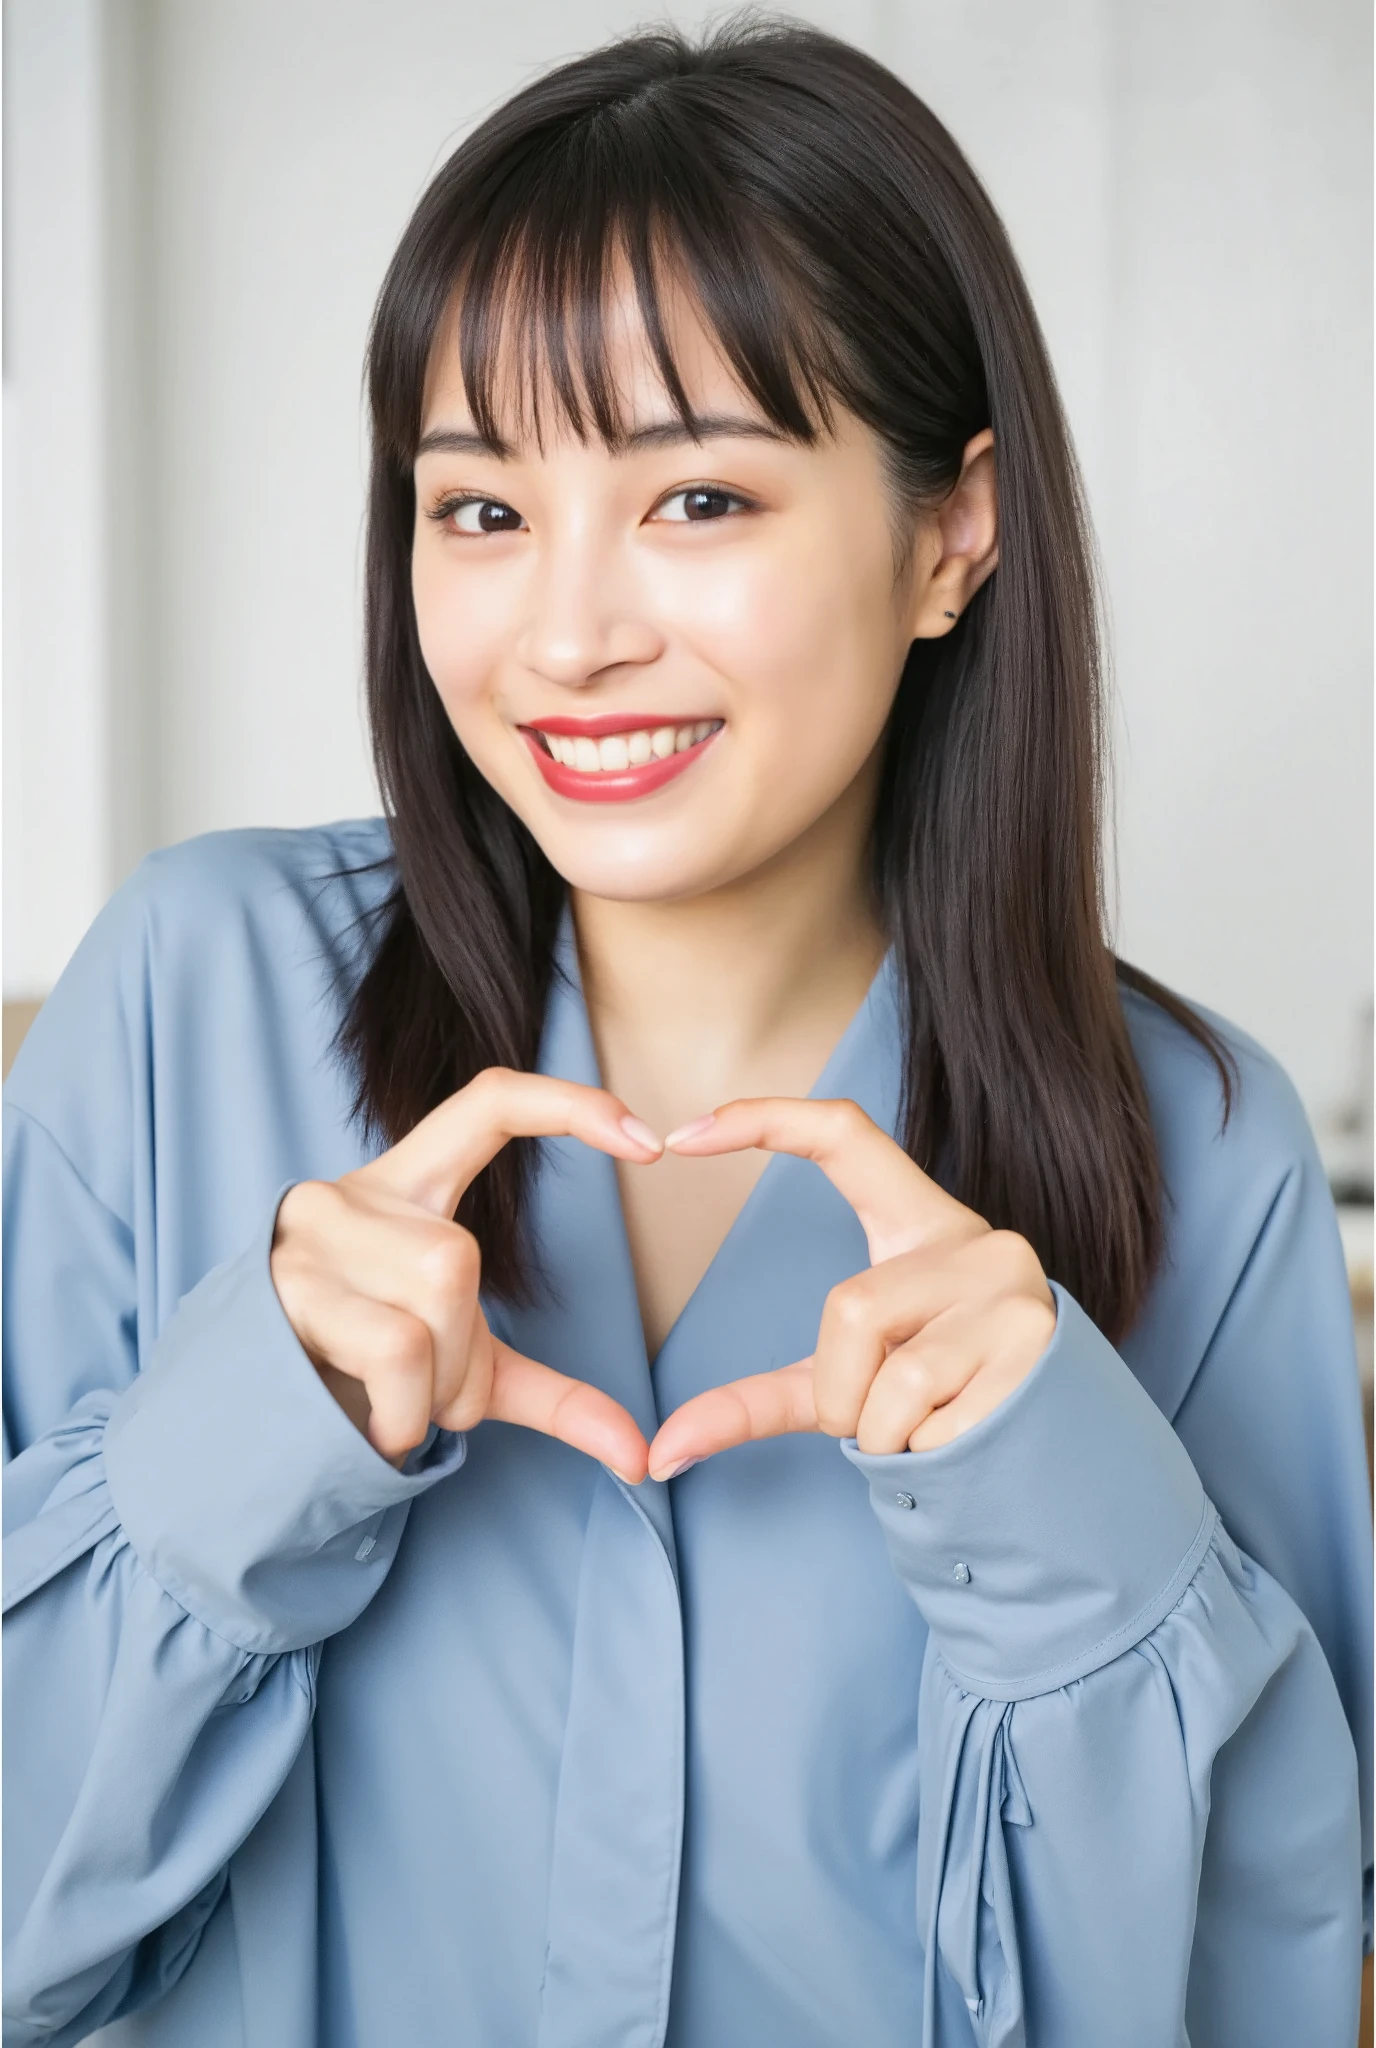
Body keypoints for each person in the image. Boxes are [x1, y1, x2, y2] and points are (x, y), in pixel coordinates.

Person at [3, 19, 1370, 2047]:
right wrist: (240, 1452)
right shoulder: (184, 998)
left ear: (950, 533)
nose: (563, 635)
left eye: (697, 497)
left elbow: (1260, 1994)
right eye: (477, 512)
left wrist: (1070, 1536)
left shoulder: (1200, 1144)